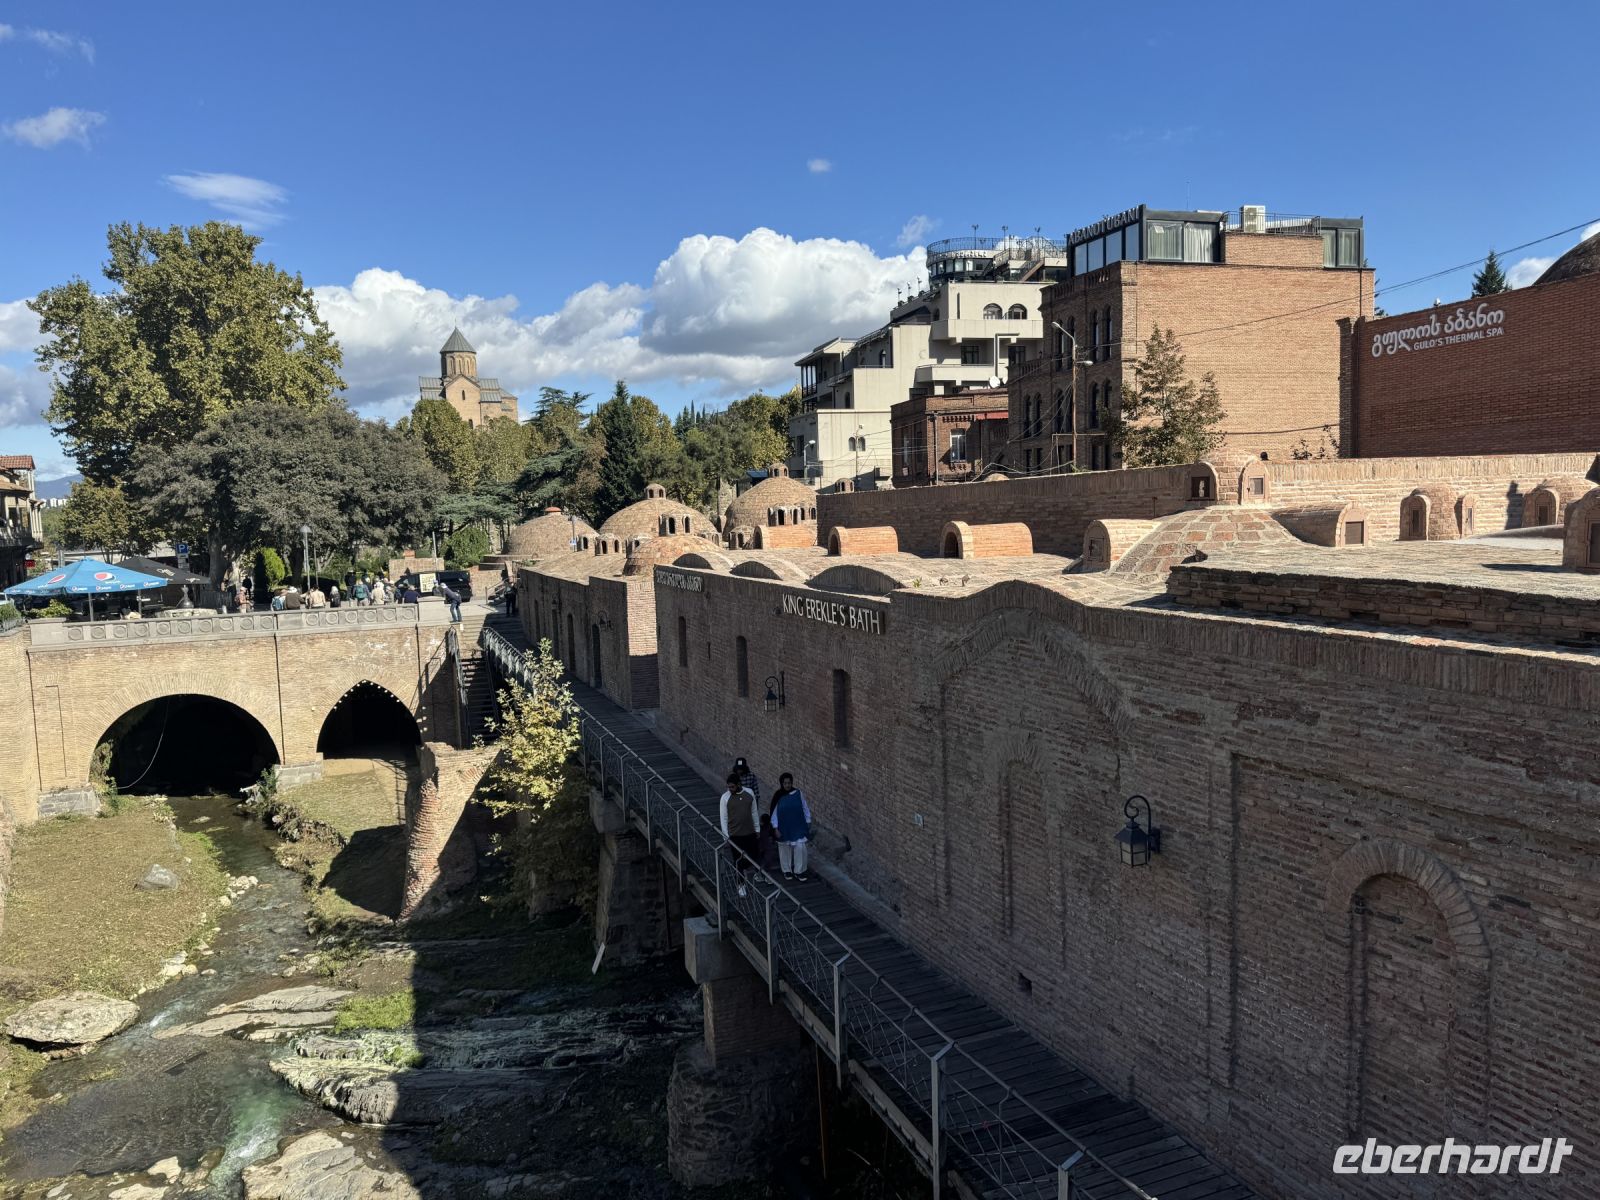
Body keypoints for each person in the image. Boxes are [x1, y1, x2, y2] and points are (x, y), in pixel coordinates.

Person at [719, 772, 761, 897]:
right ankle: (741, 885)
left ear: (738, 784)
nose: (729, 789)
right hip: (735, 835)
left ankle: (744, 868)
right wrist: (726, 836)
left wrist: (757, 829)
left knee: (754, 857)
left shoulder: (749, 793)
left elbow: (754, 812)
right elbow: (723, 818)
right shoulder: (725, 798)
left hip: (750, 833)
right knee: (737, 860)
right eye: (728, 787)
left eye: (732, 787)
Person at [770, 773, 813, 882]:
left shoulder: (798, 793)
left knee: (800, 847)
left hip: (797, 826)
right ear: (782, 783)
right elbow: (774, 814)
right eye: (785, 783)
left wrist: (808, 820)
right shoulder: (778, 796)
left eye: (789, 783)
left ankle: (800, 871)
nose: (787, 785)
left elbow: (805, 807)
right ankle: (787, 870)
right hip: (784, 827)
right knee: (784, 848)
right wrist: (775, 828)